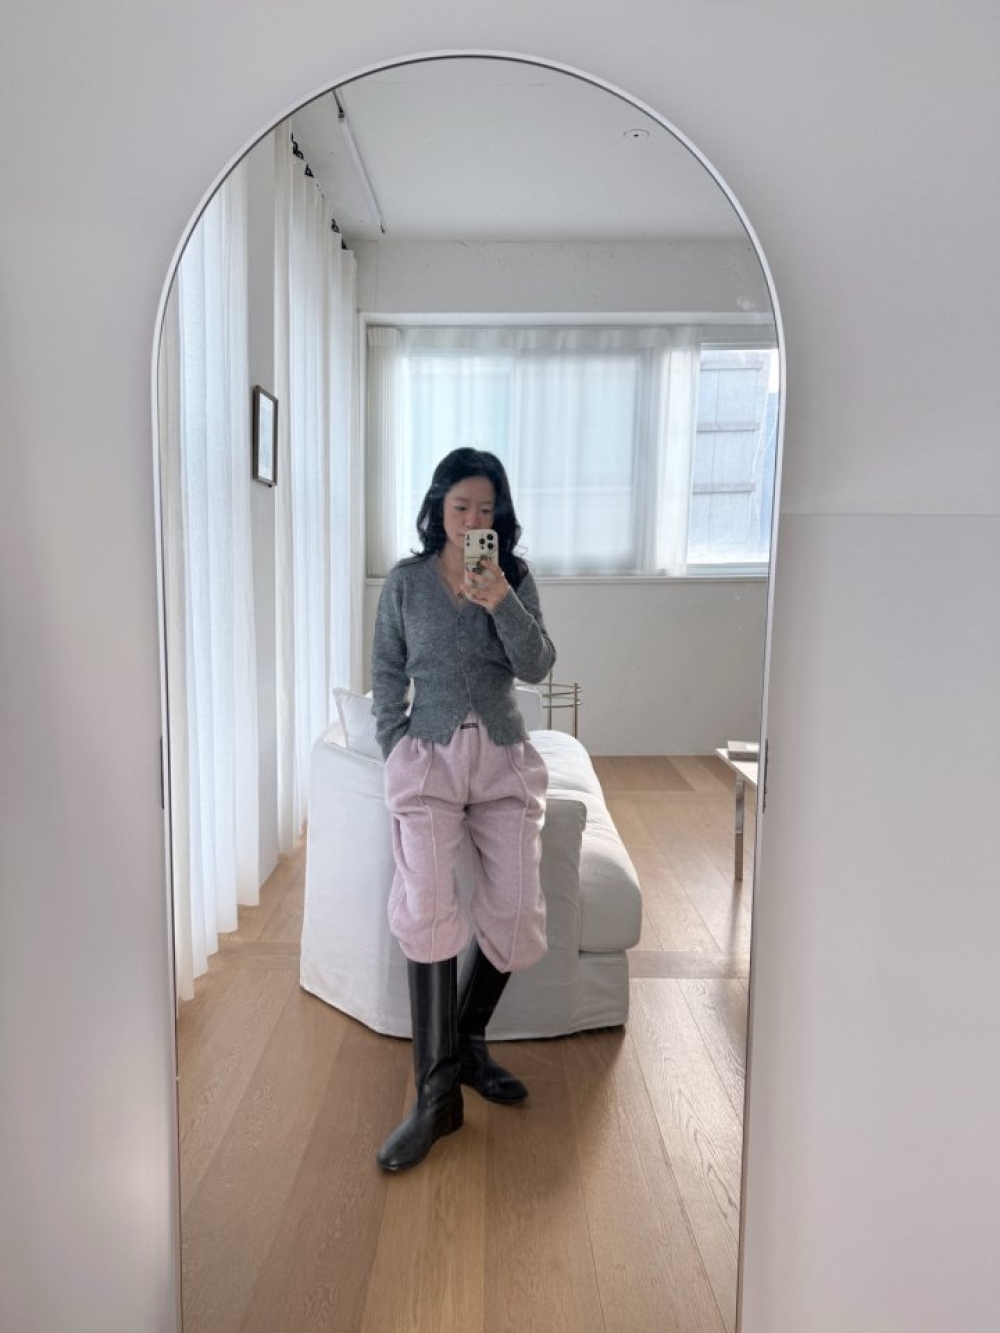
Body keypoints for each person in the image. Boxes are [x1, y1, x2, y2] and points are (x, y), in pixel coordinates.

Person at [371, 447, 556, 1172]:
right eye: (461, 507)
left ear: (498, 515)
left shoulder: (514, 577)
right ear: (438, 509)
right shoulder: (406, 582)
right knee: (426, 904)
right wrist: (394, 743)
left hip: (503, 753)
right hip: (430, 758)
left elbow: (538, 665)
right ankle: (435, 1095)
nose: (473, 519)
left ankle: (468, 1040)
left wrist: (501, 599)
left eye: (485, 509)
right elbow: (387, 669)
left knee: (515, 911)